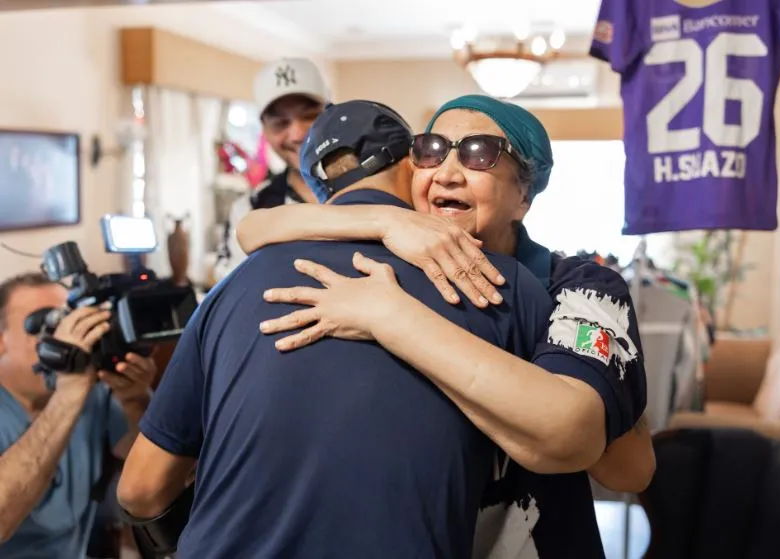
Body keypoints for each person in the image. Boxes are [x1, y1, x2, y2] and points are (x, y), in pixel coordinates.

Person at [115, 100, 599, 559]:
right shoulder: (496, 282)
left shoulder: (229, 291)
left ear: (319, 190)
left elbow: (139, 489)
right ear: (412, 166)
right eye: (433, 153)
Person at [237, 94, 654, 557]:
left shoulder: (575, 286)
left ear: (523, 195)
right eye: (431, 149)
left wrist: (389, 317)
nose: (448, 171)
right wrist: (384, 219)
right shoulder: (390, 267)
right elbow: (253, 228)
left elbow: (620, 466)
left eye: (480, 153)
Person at [0, 273, 156, 558]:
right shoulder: (74, 387)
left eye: (67, 322)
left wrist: (135, 399)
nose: (62, 339)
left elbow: (155, 471)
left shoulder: (91, 391)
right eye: (44, 325)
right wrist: (69, 390)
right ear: (1, 341)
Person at [214, 57, 330, 281]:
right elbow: (236, 288)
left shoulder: (373, 186)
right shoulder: (250, 208)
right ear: (265, 130)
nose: (297, 135)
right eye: (280, 123)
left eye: (309, 116)